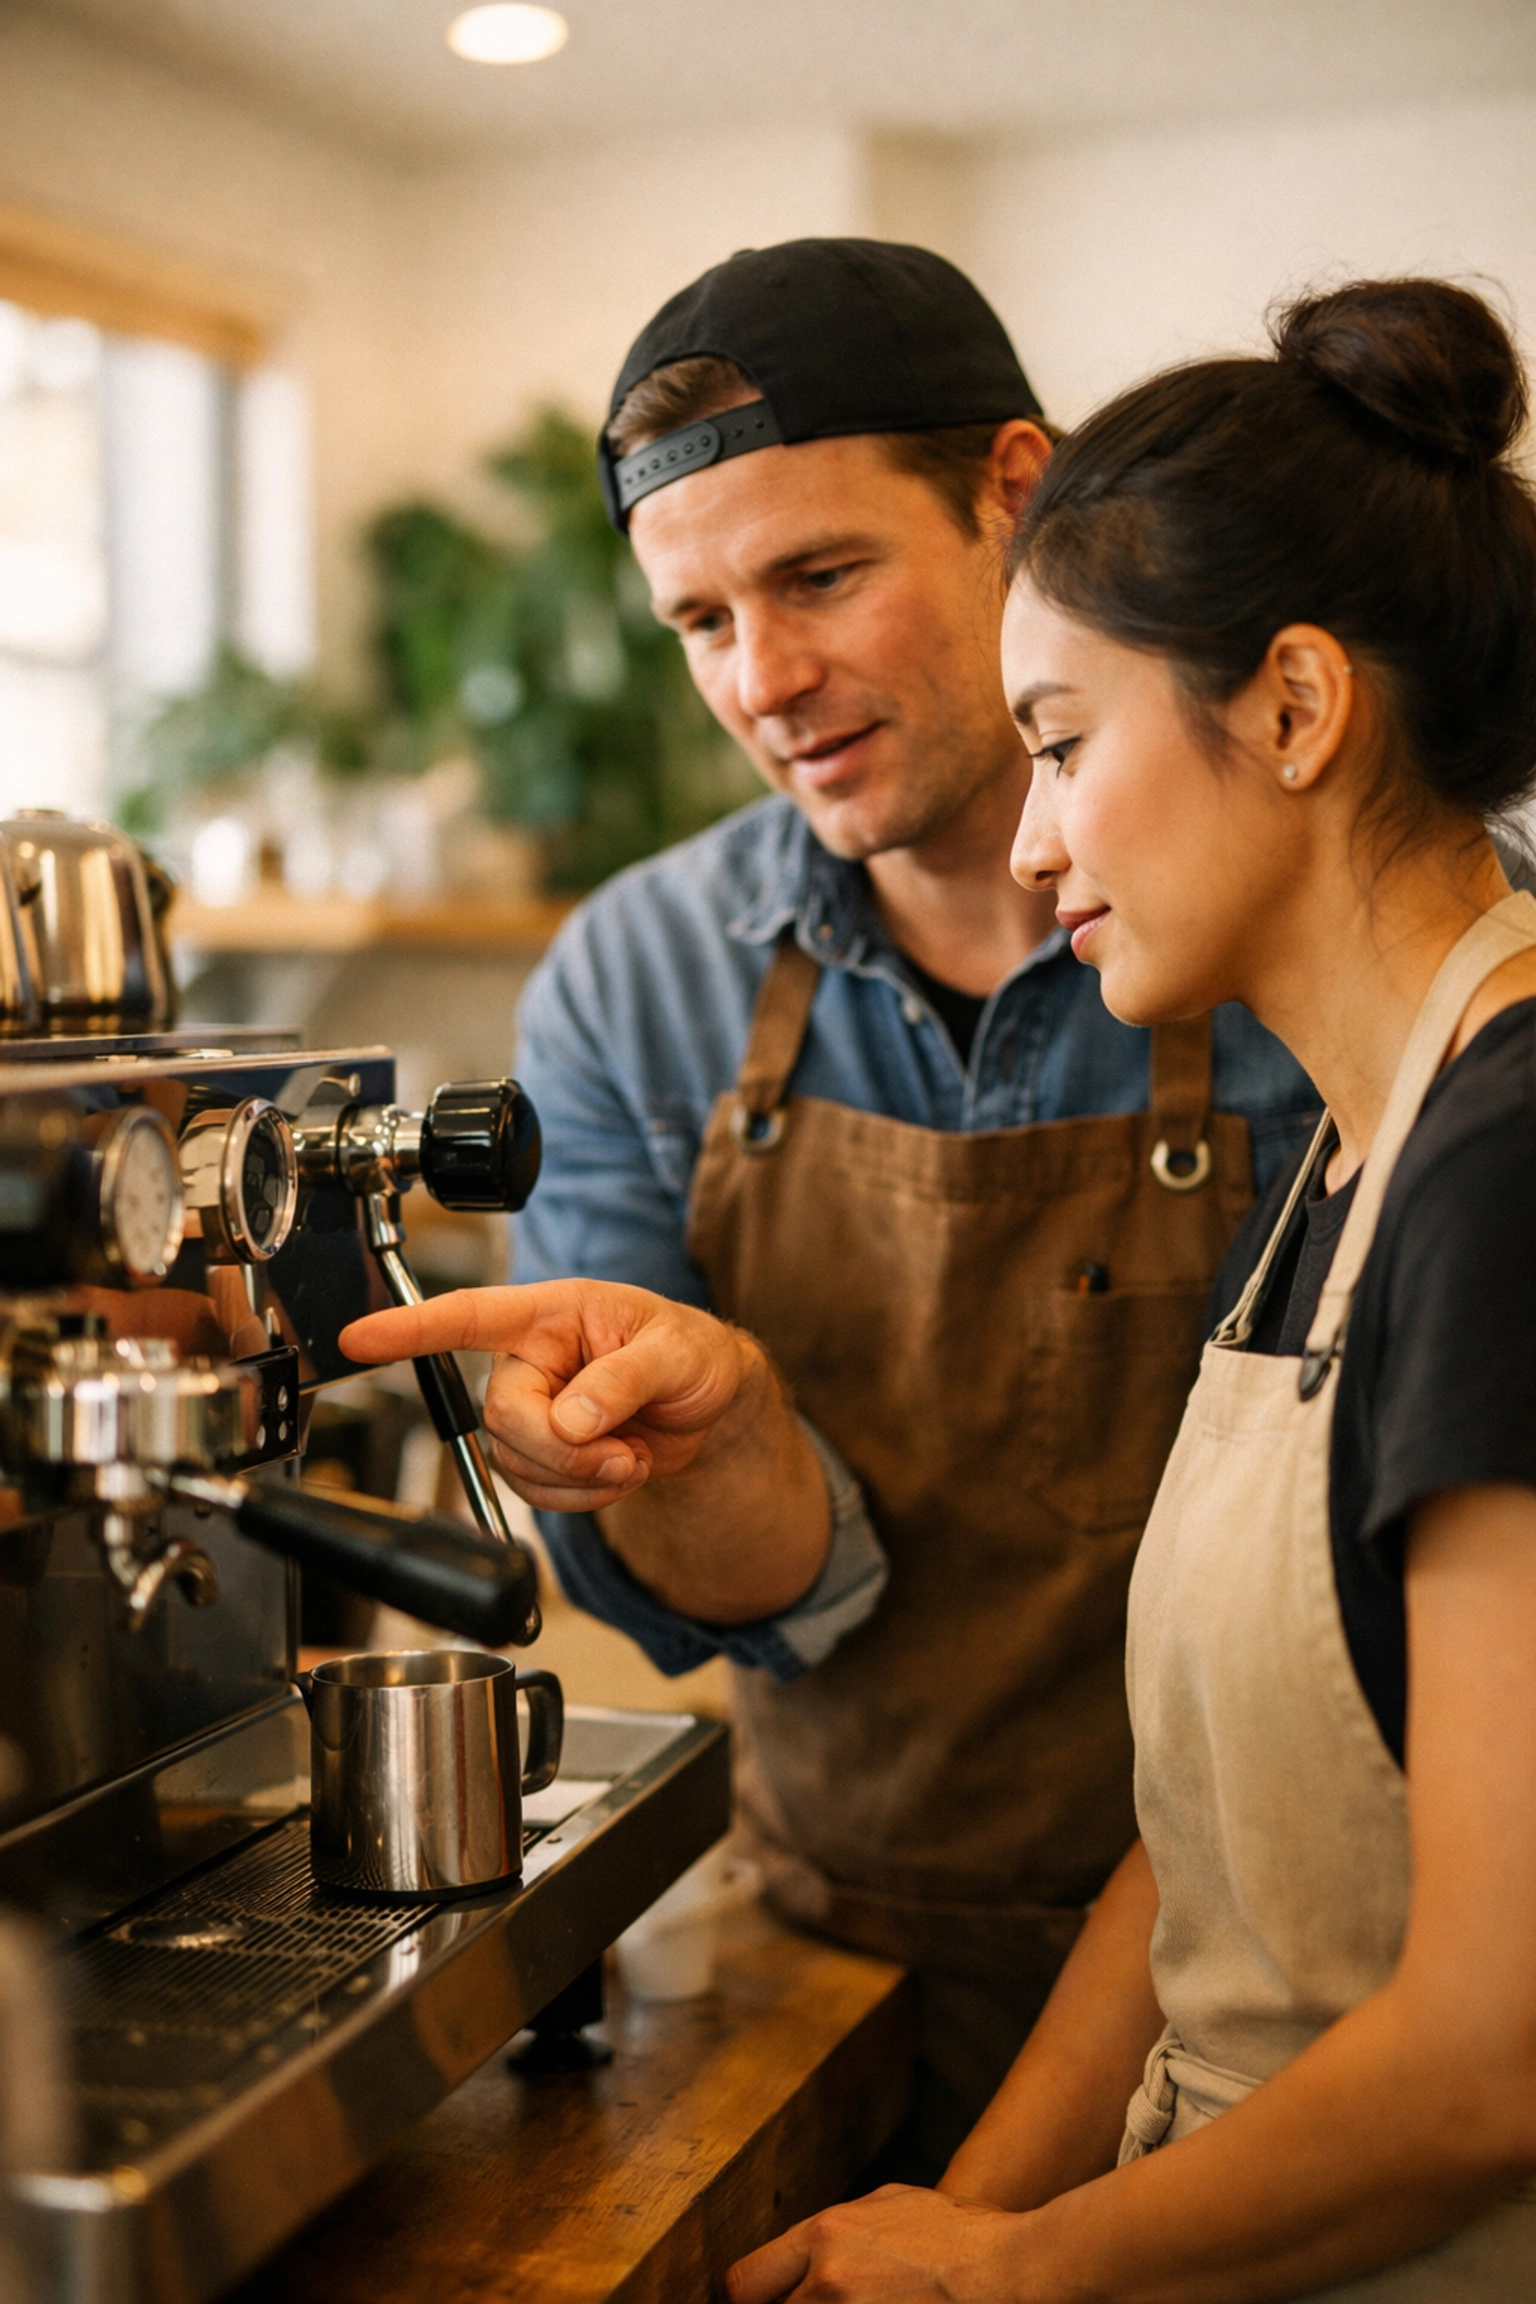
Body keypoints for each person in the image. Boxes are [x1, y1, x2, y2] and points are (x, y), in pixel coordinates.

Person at [340, 239, 1318, 2174]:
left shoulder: (1297, 889)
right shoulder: (638, 979)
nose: (761, 681)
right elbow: (727, 1585)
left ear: (1016, 494)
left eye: (818, 577)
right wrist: (698, 1432)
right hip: (833, 1947)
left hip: (1285, 1977)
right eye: (698, 620)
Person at [713, 276, 1536, 2301]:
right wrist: (962, 2215)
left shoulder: (1507, 1176)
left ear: (1295, 708)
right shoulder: (1357, 1148)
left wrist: (1012, 2275)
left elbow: (1492, 2057)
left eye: (1068, 745)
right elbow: (1220, 1837)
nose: (1038, 838)